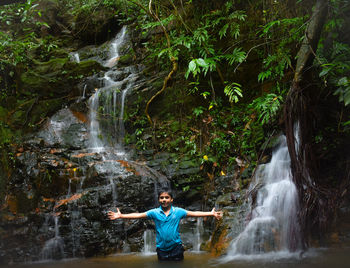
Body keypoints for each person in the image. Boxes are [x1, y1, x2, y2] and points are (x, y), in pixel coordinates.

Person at [108, 188, 223, 261]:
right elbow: (139, 215)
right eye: (162, 198)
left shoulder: (178, 211)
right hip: (161, 249)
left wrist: (211, 213)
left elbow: (194, 213)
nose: (164, 200)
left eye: (167, 197)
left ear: (171, 199)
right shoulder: (154, 212)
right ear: (159, 200)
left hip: (176, 248)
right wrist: (121, 216)